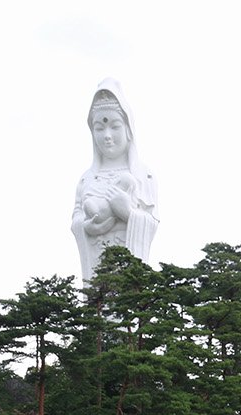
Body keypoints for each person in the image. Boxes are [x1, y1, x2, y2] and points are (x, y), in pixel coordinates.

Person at [71, 78, 158, 280]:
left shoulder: (143, 175)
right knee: (99, 304)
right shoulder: (87, 179)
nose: (107, 135)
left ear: (128, 129)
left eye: (114, 126)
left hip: (126, 262)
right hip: (96, 266)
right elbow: (76, 220)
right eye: (99, 129)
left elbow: (152, 221)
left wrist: (128, 213)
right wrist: (86, 226)